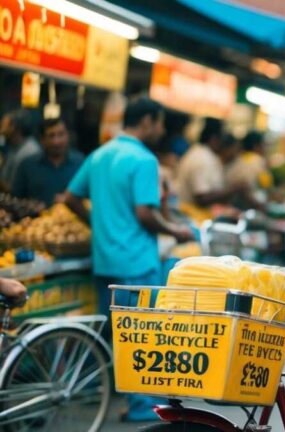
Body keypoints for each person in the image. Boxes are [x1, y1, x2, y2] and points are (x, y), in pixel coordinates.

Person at [64, 96, 193, 422]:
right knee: (141, 334)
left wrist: (97, 224)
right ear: (147, 121)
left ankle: (103, 391)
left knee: (112, 331)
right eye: (160, 123)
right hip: (136, 261)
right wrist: (175, 231)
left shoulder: (99, 154)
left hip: (105, 259)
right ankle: (140, 405)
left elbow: (70, 198)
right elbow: (145, 214)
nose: (161, 130)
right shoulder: (144, 160)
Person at [175, 118, 249, 208]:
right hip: (192, 216)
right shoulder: (202, 158)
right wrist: (234, 189)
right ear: (214, 139)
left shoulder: (201, 153)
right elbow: (202, 198)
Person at [12, 118, 83, 206]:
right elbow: (15, 200)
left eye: (61, 135)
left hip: (73, 219)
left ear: (68, 136)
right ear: (42, 140)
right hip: (36, 218)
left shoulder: (80, 163)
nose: (56, 141)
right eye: (51, 136)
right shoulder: (27, 165)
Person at [0, 109, 40, 191]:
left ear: (13, 127)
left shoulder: (29, 151)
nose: (1, 131)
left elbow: (15, 190)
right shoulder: (14, 147)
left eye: (2, 126)